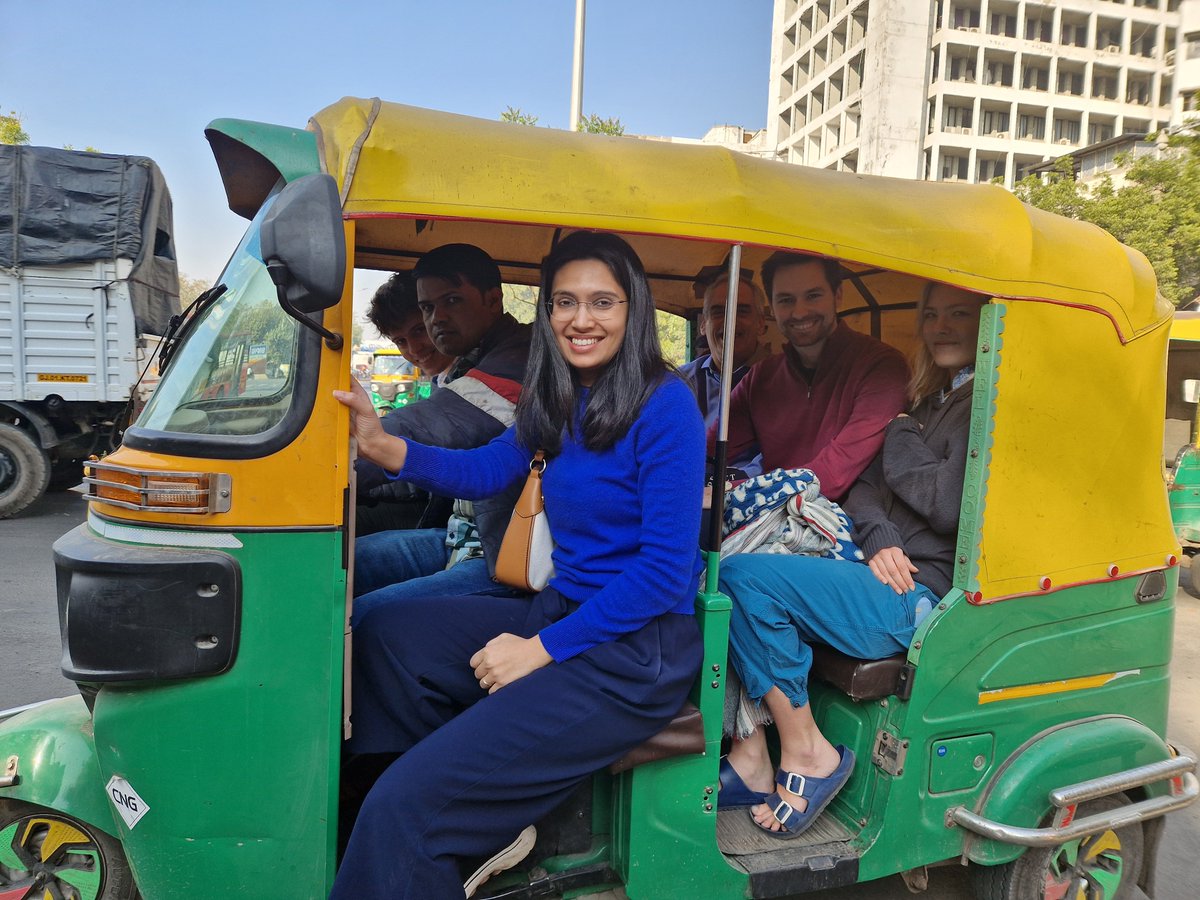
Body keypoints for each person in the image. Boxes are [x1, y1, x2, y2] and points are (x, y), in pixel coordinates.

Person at [330, 231, 706, 898]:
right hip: (559, 610)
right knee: (385, 638)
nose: (581, 319)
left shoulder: (665, 402)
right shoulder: (557, 393)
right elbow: (486, 470)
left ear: (633, 308)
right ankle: (481, 817)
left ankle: (424, 820)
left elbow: (663, 574)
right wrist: (383, 446)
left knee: (406, 809)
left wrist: (539, 651)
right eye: (565, 302)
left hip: (633, 653)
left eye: (602, 302)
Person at [716, 283, 987, 838]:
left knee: (745, 580)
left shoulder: (982, 410)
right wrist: (882, 533)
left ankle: (809, 753)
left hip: (922, 591)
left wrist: (900, 432)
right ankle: (753, 756)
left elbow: (944, 499)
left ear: (987, 326)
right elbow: (864, 489)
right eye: (931, 315)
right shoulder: (931, 402)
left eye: (959, 314)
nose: (941, 327)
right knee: (724, 568)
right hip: (876, 563)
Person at [352, 244, 531, 610]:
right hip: (458, 535)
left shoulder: (521, 356)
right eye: (428, 307)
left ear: (493, 300)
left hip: (502, 548)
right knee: (337, 564)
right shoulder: (466, 363)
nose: (438, 319)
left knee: (369, 618)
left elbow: (438, 425)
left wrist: (345, 455)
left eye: (452, 301)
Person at [712, 253, 909, 501]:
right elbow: (706, 448)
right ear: (771, 307)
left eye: (813, 296)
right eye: (786, 300)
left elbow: (833, 475)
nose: (799, 312)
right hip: (772, 515)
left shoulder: (882, 367)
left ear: (838, 295)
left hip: (852, 519)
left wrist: (732, 489)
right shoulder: (761, 377)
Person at [356, 272, 456, 537]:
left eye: (419, 331)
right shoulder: (441, 380)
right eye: (400, 341)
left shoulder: (468, 384)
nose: (413, 349)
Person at [680, 272, 769, 478]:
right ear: (703, 325)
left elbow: (782, 456)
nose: (730, 321)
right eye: (719, 312)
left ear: (761, 323)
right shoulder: (679, 383)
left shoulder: (783, 383)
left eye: (742, 311)